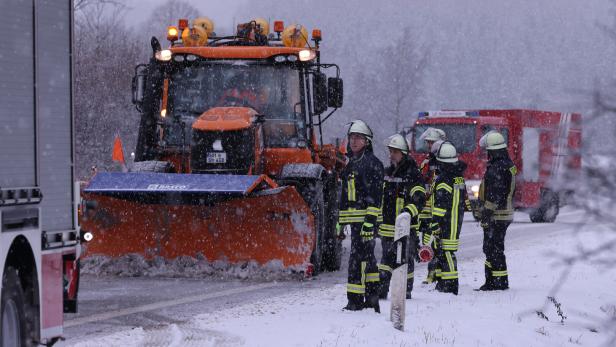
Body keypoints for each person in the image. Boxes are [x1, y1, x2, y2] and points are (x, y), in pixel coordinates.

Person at [339, 120, 384, 312]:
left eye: (358, 138)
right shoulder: (351, 164)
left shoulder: (372, 164)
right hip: (356, 223)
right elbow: (345, 197)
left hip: (366, 222)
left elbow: (375, 197)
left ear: (367, 141)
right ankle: (370, 298)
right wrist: (340, 223)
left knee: (359, 260)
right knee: (366, 259)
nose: (354, 141)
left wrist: (369, 222)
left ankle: (357, 301)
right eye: (351, 137)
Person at [377, 134, 425, 300]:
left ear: (403, 153)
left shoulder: (412, 173)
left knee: (405, 261)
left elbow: (419, 199)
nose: (391, 155)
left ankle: (405, 293)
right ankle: (381, 291)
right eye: (390, 151)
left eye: (395, 152)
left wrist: (407, 213)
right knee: (385, 261)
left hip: (405, 228)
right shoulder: (387, 172)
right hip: (388, 227)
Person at [476, 131, 517, 291]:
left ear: (493, 150)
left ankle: (497, 282)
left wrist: (486, 212)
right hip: (504, 214)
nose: (487, 154)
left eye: (488, 151)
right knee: (493, 248)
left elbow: (495, 193)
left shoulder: (497, 167)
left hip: (497, 215)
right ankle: (495, 280)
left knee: (493, 248)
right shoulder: (508, 164)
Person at [431, 141, 468, 295]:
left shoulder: (443, 179)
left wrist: (434, 223)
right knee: (443, 251)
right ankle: (442, 282)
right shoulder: (458, 177)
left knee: (446, 252)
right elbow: (464, 200)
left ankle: (451, 286)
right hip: (455, 220)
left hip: (447, 222)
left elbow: (440, 205)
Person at [417, 128, 446, 285]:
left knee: (439, 242)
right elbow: (421, 183)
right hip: (427, 210)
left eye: (432, 142)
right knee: (428, 243)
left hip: (440, 210)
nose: (429, 146)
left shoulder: (445, 163)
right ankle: (432, 274)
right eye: (428, 142)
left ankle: (438, 274)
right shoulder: (426, 163)